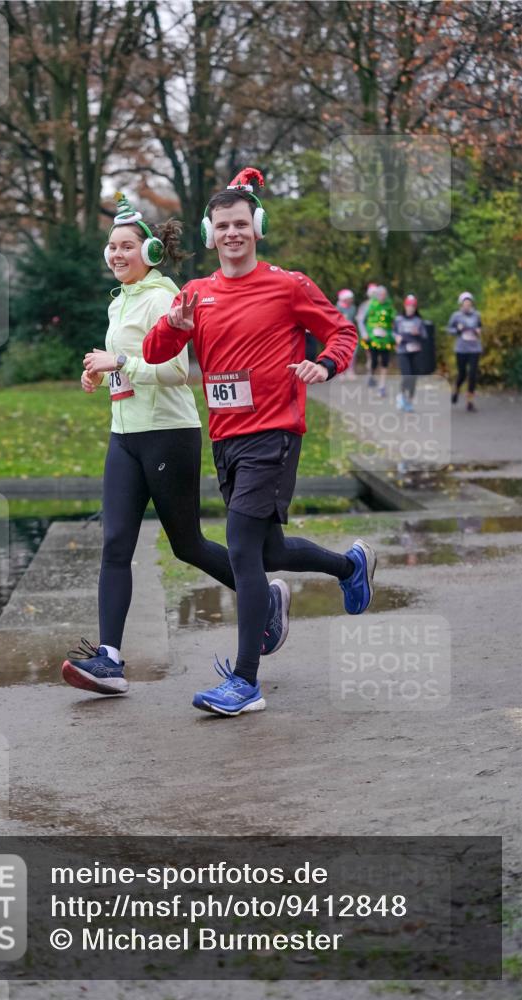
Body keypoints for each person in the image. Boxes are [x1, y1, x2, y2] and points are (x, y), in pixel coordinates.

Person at [142, 167, 377, 717]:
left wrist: (324, 364)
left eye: (241, 224)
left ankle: (245, 681)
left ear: (257, 228)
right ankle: (350, 567)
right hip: (226, 439)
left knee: (242, 549)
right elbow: (154, 354)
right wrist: (175, 325)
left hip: (274, 433)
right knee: (269, 550)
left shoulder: (288, 285)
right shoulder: (196, 295)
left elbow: (342, 331)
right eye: (223, 225)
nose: (232, 233)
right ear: (210, 234)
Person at [61, 193, 289, 697]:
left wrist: (119, 363)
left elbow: (175, 371)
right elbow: (126, 366)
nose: (117, 254)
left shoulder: (165, 298)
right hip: (124, 435)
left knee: (187, 545)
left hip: (168, 434)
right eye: (111, 247)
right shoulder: (120, 300)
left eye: (127, 246)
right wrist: (101, 374)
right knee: (115, 544)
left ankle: (265, 598)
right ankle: (109, 659)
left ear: (150, 253)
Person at [448, 292, 483, 412]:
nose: (467, 306)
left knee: (472, 374)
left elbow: (480, 327)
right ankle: (456, 389)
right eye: (465, 304)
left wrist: (478, 331)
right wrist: (457, 330)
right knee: (462, 374)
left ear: (472, 304)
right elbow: (449, 329)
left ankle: (470, 402)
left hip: (474, 349)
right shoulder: (456, 316)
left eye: (469, 304)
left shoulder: (477, 315)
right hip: (461, 349)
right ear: (461, 304)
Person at [393, 294, 427, 412]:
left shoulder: (418, 320)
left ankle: (409, 401)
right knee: (407, 375)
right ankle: (402, 395)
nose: (411, 308)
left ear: (415, 307)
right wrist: (396, 337)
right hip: (403, 351)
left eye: (413, 306)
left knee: (414, 378)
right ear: (405, 306)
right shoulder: (399, 319)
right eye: (409, 305)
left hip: (416, 351)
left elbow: (425, 336)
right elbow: (392, 332)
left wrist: (418, 333)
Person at [364, 285, 395, 396]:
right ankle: (371, 375)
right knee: (374, 361)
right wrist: (366, 333)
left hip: (386, 340)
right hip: (373, 339)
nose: (382, 297)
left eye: (384, 295)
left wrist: (391, 333)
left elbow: (394, 321)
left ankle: (382, 386)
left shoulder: (389, 306)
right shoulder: (370, 305)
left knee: (385, 362)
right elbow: (363, 320)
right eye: (380, 295)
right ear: (376, 295)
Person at [336, 289, 357, 379]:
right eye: (350, 298)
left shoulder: (353, 308)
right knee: (341, 351)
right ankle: (341, 371)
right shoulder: (338, 308)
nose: (351, 300)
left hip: (351, 331)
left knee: (353, 351)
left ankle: (350, 370)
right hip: (341, 332)